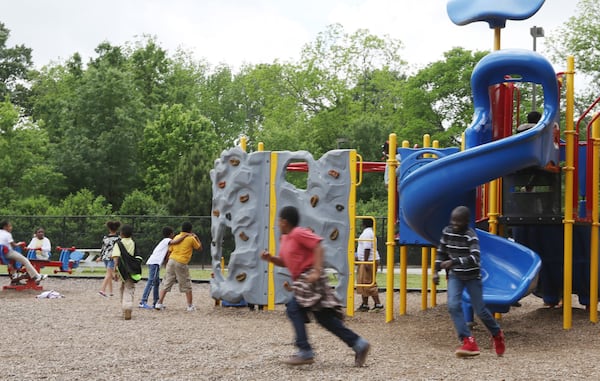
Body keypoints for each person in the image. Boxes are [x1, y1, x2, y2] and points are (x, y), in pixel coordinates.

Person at [260, 206, 370, 367]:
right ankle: (359, 344)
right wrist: (270, 258)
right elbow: (285, 261)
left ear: (284, 222)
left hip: (311, 277)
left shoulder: (298, 232)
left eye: (279, 220)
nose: (278, 224)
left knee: (293, 307)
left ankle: (305, 351)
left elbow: (318, 244)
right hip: (303, 279)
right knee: (324, 318)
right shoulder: (285, 239)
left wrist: (317, 270)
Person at [433, 206, 505, 357]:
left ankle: (497, 334)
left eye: (458, 222)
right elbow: (441, 252)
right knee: (453, 305)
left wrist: (454, 261)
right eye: (453, 221)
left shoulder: (470, 235)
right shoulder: (447, 232)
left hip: (472, 276)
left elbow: (475, 258)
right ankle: (468, 340)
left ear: (466, 222)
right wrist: (435, 271)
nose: (454, 224)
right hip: (456, 276)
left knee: (480, 310)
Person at [155, 221, 202, 312]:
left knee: (167, 281)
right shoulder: (191, 238)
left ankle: (159, 303)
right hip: (181, 262)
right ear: (190, 230)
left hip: (172, 260)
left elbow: (170, 250)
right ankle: (190, 306)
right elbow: (199, 248)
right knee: (186, 283)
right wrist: (197, 238)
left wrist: (166, 261)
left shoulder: (176, 237)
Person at [138, 226, 177, 309]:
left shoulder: (164, 242)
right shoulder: (167, 240)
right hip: (154, 262)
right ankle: (143, 301)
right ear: (170, 234)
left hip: (155, 263)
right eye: (173, 233)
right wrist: (185, 236)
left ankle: (156, 302)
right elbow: (175, 242)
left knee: (156, 282)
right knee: (151, 281)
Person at [355, 218, 383, 312]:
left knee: (368, 282)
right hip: (366, 260)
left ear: (363, 224)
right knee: (363, 282)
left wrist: (366, 262)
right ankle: (365, 304)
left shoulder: (367, 233)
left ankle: (378, 304)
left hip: (368, 261)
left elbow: (367, 248)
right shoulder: (369, 232)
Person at [111, 224, 137, 320]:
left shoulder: (118, 243)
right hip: (131, 268)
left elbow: (116, 257)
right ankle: (127, 306)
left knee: (122, 287)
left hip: (121, 268)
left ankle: (125, 307)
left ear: (121, 234)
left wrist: (115, 270)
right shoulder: (133, 243)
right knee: (129, 288)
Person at [97, 220, 121, 297]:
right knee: (109, 274)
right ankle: (102, 290)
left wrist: (100, 256)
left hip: (105, 257)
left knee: (109, 274)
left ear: (109, 229)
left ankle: (111, 291)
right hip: (112, 257)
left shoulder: (105, 238)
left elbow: (103, 248)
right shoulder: (118, 238)